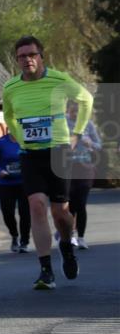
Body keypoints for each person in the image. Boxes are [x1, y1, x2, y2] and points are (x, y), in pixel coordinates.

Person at [2, 35, 93, 289]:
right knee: (36, 205)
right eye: (22, 56)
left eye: (32, 55)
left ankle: (66, 245)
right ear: (17, 60)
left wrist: (78, 134)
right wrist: (19, 137)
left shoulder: (59, 80)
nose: (27, 59)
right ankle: (45, 270)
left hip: (59, 151)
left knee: (60, 212)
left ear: (41, 56)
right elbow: (8, 115)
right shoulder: (10, 87)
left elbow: (86, 99)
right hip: (31, 154)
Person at [65, 100, 102, 250]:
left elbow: (99, 145)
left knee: (81, 204)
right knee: (70, 205)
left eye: (78, 112)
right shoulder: (62, 124)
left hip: (85, 168)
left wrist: (91, 144)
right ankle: (69, 234)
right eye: (73, 112)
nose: (75, 115)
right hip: (67, 168)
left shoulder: (89, 124)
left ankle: (81, 238)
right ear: (67, 111)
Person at [0, 132, 31, 253]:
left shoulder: (26, 139)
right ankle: (14, 235)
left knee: (25, 213)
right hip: (6, 183)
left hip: (24, 183)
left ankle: (24, 241)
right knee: (7, 213)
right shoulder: (1, 142)